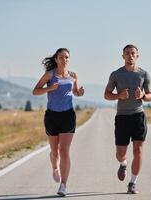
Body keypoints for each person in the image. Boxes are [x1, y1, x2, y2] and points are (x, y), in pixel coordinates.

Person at [33, 48, 84, 197]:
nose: (64, 60)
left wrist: (79, 92)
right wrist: (49, 87)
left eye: (67, 57)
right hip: (52, 116)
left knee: (64, 150)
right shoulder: (50, 75)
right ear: (56, 59)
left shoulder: (73, 75)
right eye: (61, 57)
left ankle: (63, 185)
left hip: (68, 115)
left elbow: (74, 92)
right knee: (55, 152)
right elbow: (35, 91)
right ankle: (54, 167)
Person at [104, 44, 151, 194]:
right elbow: (107, 94)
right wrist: (118, 96)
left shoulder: (144, 74)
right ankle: (123, 163)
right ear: (122, 56)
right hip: (122, 117)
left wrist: (143, 96)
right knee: (120, 153)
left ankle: (132, 183)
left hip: (138, 116)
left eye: (133, 53)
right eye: (127, 53)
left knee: (138, 150)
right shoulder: (116, 74)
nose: (130, 56)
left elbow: (150, 95)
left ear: (137, 56)